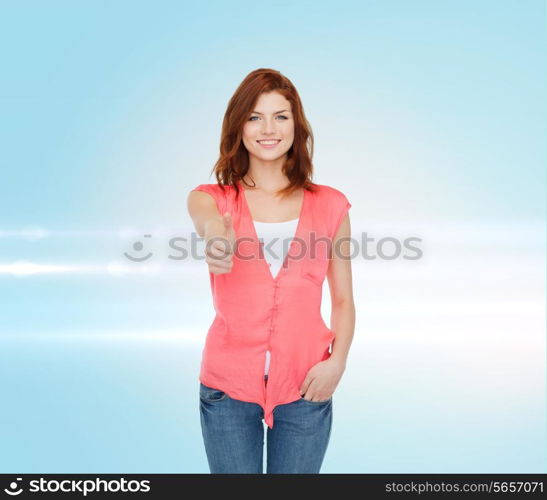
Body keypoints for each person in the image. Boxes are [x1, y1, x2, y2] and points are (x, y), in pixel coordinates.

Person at [187, 68, 355, 473]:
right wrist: (216, 239)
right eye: (255, 116)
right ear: (238, 126)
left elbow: (344, 299)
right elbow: (207, 221)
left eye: (280, 116)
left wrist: (338, 362)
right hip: (227, 388)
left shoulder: (331, 205)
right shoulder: (213, 199)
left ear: (296, 126)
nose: (268, 128)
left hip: (306, 386)